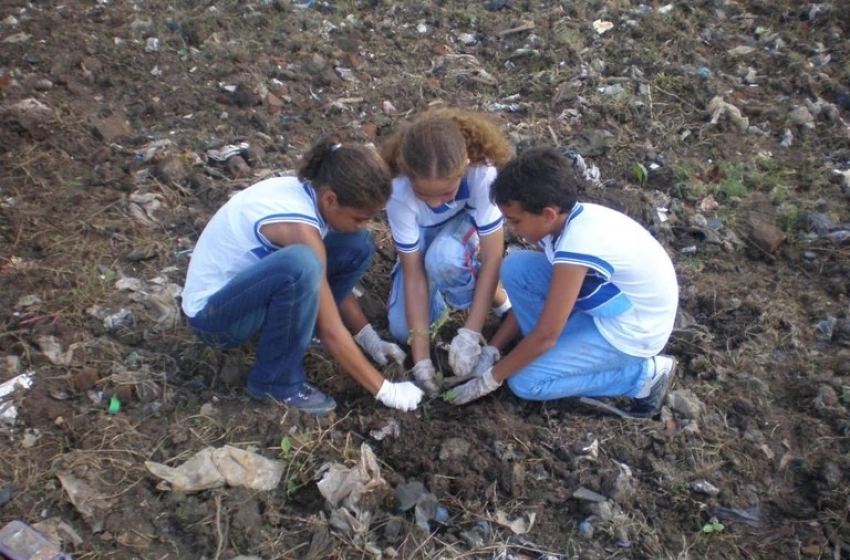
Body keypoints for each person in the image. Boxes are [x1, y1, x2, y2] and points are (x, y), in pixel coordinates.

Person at [181, 136, 424, 416]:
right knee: (302, 265)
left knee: (358, 244)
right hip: (215, 319)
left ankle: (304, 330)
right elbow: (332, 324)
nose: (364, 224)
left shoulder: (310, 194)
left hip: (245, 295)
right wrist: (385, 389)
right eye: (359, 217)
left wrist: (369, 337)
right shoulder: (300, 229)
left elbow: (328, 294)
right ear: (331, 199)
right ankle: (276, 382)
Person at [447, 147, 679, 418]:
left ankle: (643, 377)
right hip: (611, 303)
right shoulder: (562, 224)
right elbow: (545, 316)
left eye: (515, 220)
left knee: (525, 382)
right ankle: (547, 354)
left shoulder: (576, 245)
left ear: (547, 214)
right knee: (516, 267)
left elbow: (546, 335)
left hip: (632, 332)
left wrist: (489, 379)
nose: (511, 228)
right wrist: (492, 349)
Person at [379, 109, 513, 394]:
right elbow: (413, 271)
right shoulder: (398, 192)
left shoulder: (482, 174)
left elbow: (492, 257)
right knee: (403, 332)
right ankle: (442, 296)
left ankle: (499, 301)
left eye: (447, 192)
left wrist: (470, 332)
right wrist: (422, 358)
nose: (437, 203)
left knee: (444, 258)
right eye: (425, 195)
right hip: (423, 241)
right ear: (405, 171)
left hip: (463, 230)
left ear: (465, 165)